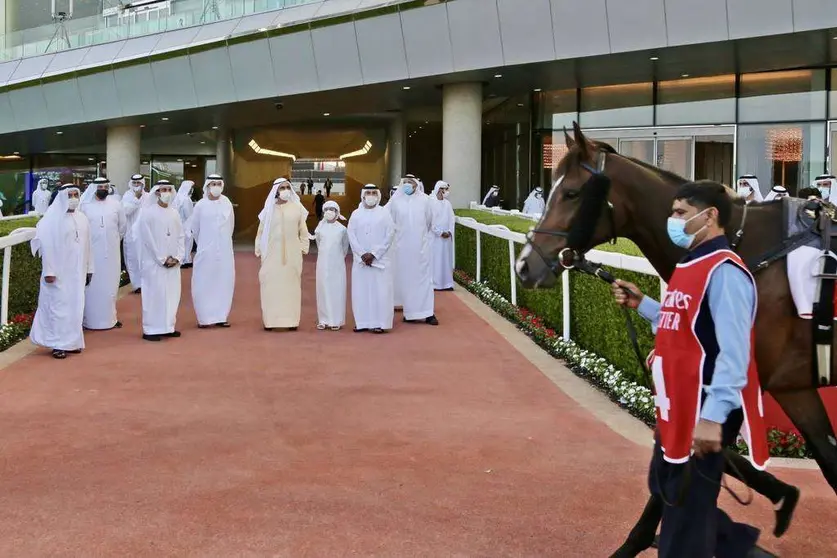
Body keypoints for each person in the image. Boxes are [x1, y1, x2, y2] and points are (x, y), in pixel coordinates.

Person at [610, 181, 769, 558]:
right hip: (676, 411)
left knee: (683, 522)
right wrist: (643, 304)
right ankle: (740, 549)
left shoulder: (725, 272)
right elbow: (682, 323)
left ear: (710, 216)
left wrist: (713, 418)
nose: (673, 220)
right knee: (668, 491)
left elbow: (734, 353)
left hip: (701, 412)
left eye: (680, 213)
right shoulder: (690, 263)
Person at [29, 185, 93, 359]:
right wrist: (49, 271)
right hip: (57, 274)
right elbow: (46, 246)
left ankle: (71, 342)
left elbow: (88, 245)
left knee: (75, 307)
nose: (73, 198)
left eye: (76, 195)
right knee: (58, 308)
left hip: (77, 273)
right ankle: (57, 344)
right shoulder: (51, 220)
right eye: (69, 195)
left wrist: (89, 268)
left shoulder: (82, 218)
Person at [256, 178, 310, 331]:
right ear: (276, 191)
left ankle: (291, 321)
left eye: (288, 187)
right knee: (270, 287)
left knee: (291, 289)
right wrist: (259, 249)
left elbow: (303, 231)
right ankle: (270, 321)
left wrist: (303, 248)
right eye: (282, 188)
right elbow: (260, 232)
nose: (285, 190)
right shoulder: (268, 210)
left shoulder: (296, 208)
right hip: (271, 256)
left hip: (293, 255)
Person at [137, 181, 185, 341]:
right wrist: (162, 259)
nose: (166, 193)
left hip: (173, 263)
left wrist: (178, 257)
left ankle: (168, 326)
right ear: (156, 192)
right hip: (154, 264)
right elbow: (147, 240)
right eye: (163, 190)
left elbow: (180, 236)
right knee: (154, 295)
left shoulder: (175, 213)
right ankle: (151, 329)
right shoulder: (148, 213)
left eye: (169, 190)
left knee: (171, 295)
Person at [388, 175, 438, 325]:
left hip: (420, 249)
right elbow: (386, 219)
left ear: (416, 184)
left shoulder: (425, 200)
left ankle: (428, 313)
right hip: (401, 249)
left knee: (423, 281)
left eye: (411, 182)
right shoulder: (395, 201)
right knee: (406, 281)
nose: (408, 185)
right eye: (405, 182)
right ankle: (410, 313)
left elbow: (430, 222)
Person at [80, 177, 127, 330]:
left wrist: (111, 241)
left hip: (111, 253)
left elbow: (122, 227)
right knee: (92, 287)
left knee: (110, 286)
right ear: (94, 188)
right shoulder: (84, 206)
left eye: (106, 186)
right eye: (100, 186)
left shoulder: (116, 204)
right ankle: (90, 320)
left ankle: (110, 319)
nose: (103, 189)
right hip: (91, 253)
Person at [348, 185, 396, 333]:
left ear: (378, 195)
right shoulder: (356, 214)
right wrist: (362, 254)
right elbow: (351, 235)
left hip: (379, 261)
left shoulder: (384, 213)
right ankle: (362, 322)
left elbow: (389, 234)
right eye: (368, 193)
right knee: (360, 292)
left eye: (373, 193)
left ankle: (380, 323)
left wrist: (374, 254)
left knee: (380, 292)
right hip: (361, 262)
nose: (370, 195)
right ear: (363, 195)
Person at [190, 174, 235, 329]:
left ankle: (221, 316)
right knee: (204, 282)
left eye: (218, 183)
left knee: (224, 281)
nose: (216, 186)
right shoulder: (200, 205)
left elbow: (231, 225)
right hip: (205, 250)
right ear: (207, 186)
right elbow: (195, 229)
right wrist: (205, 244)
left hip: (224, 250)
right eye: (213, 183)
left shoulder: (227, 202)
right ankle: (204, 317)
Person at [314, 200, 349, 331]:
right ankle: (323, 319)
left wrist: (338, 258)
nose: (329, 212)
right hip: (322, 264)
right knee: (322, 290)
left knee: (337, 290)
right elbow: (319, 244)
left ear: (337, 212)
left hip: (337, 264)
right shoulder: (319, 228)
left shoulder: (342, 229)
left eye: (332, 209)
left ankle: (336, 320)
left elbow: (345, 247)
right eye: (327, 209)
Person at [122, 174, 148, 293]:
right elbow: (125, 211)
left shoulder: (148, 196)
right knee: (132, 259)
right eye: (135, 183)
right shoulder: (127, 196)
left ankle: (146, 283)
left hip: (145, 234)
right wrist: (136, 199)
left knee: (145, 259)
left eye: (139, 183)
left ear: (143, 184)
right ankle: (137, 284)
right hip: (131, 234)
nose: (137, 186)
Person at [429, 180, 455, 291]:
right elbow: (430, 221)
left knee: (446, 260)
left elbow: (452, 219)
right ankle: (436, 284)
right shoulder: (431, 202)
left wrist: (449, 231)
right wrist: (439, 232)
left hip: (446, 238)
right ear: (440, 189)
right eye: (445, 189)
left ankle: (447, 283)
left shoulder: (447, 204)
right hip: (436, 238)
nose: (447, 192)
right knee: (436, 260)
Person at [174, 180, 196, 269]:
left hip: (180, 224)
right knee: (187, 243)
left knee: (183, 243)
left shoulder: (178, 197)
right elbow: (189, 214)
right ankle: (185, 260)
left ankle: (186, 260)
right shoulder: (186, 199)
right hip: (186, 225)